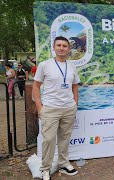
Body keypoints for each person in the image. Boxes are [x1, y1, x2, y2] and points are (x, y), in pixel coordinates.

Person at [33, 36, 80, 180]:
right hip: (50, 108)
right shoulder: (44, 65)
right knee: (48, 139)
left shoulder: (72, 66)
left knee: (65, 138)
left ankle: (64, 164)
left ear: (68, 49)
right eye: (58, 45)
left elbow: (75, 86)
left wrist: (75, 105)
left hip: (68, 108)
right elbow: (36, 86)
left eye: (64, 46)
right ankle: (45, 169)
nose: (61, 48)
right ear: (54, 47)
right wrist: (39, 107)